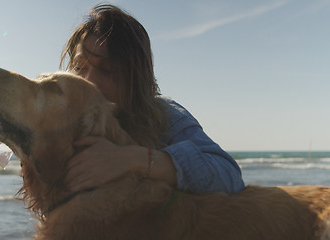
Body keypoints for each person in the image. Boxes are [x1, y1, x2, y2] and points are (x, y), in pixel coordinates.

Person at [61, 4, 245, 194]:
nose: (88, 81)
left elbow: (228, 176)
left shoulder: (163, 115)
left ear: (136, 77)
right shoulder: (57, 119)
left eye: (107, 70)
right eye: (78, 67)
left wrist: (133, 159)